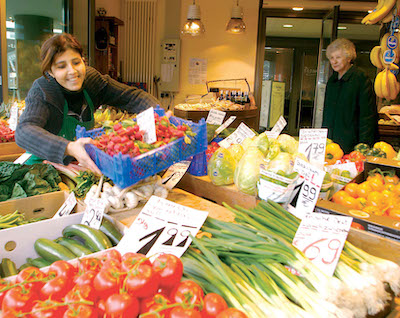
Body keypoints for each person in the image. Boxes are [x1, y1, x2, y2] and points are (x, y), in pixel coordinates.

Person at [15, 33, 160, 174]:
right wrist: (69, 147)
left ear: (83, 60)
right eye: (61, 66)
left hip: (77, 165)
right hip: (41, 169)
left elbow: (132, 97)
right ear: (50, 72)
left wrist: (160, 114)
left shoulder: (92, 81)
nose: (72, 71)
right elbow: (24, 131)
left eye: (76, 62)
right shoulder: (43, 90)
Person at [322, 38, 377, 154]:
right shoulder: (332, 81)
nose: (334, 61)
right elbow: (327, 114)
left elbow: (367, 116)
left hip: (352, 145)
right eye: (331, 58)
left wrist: (363, 147)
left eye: (338, 57)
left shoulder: (360, 79)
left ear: (348, 58)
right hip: (331, 144)